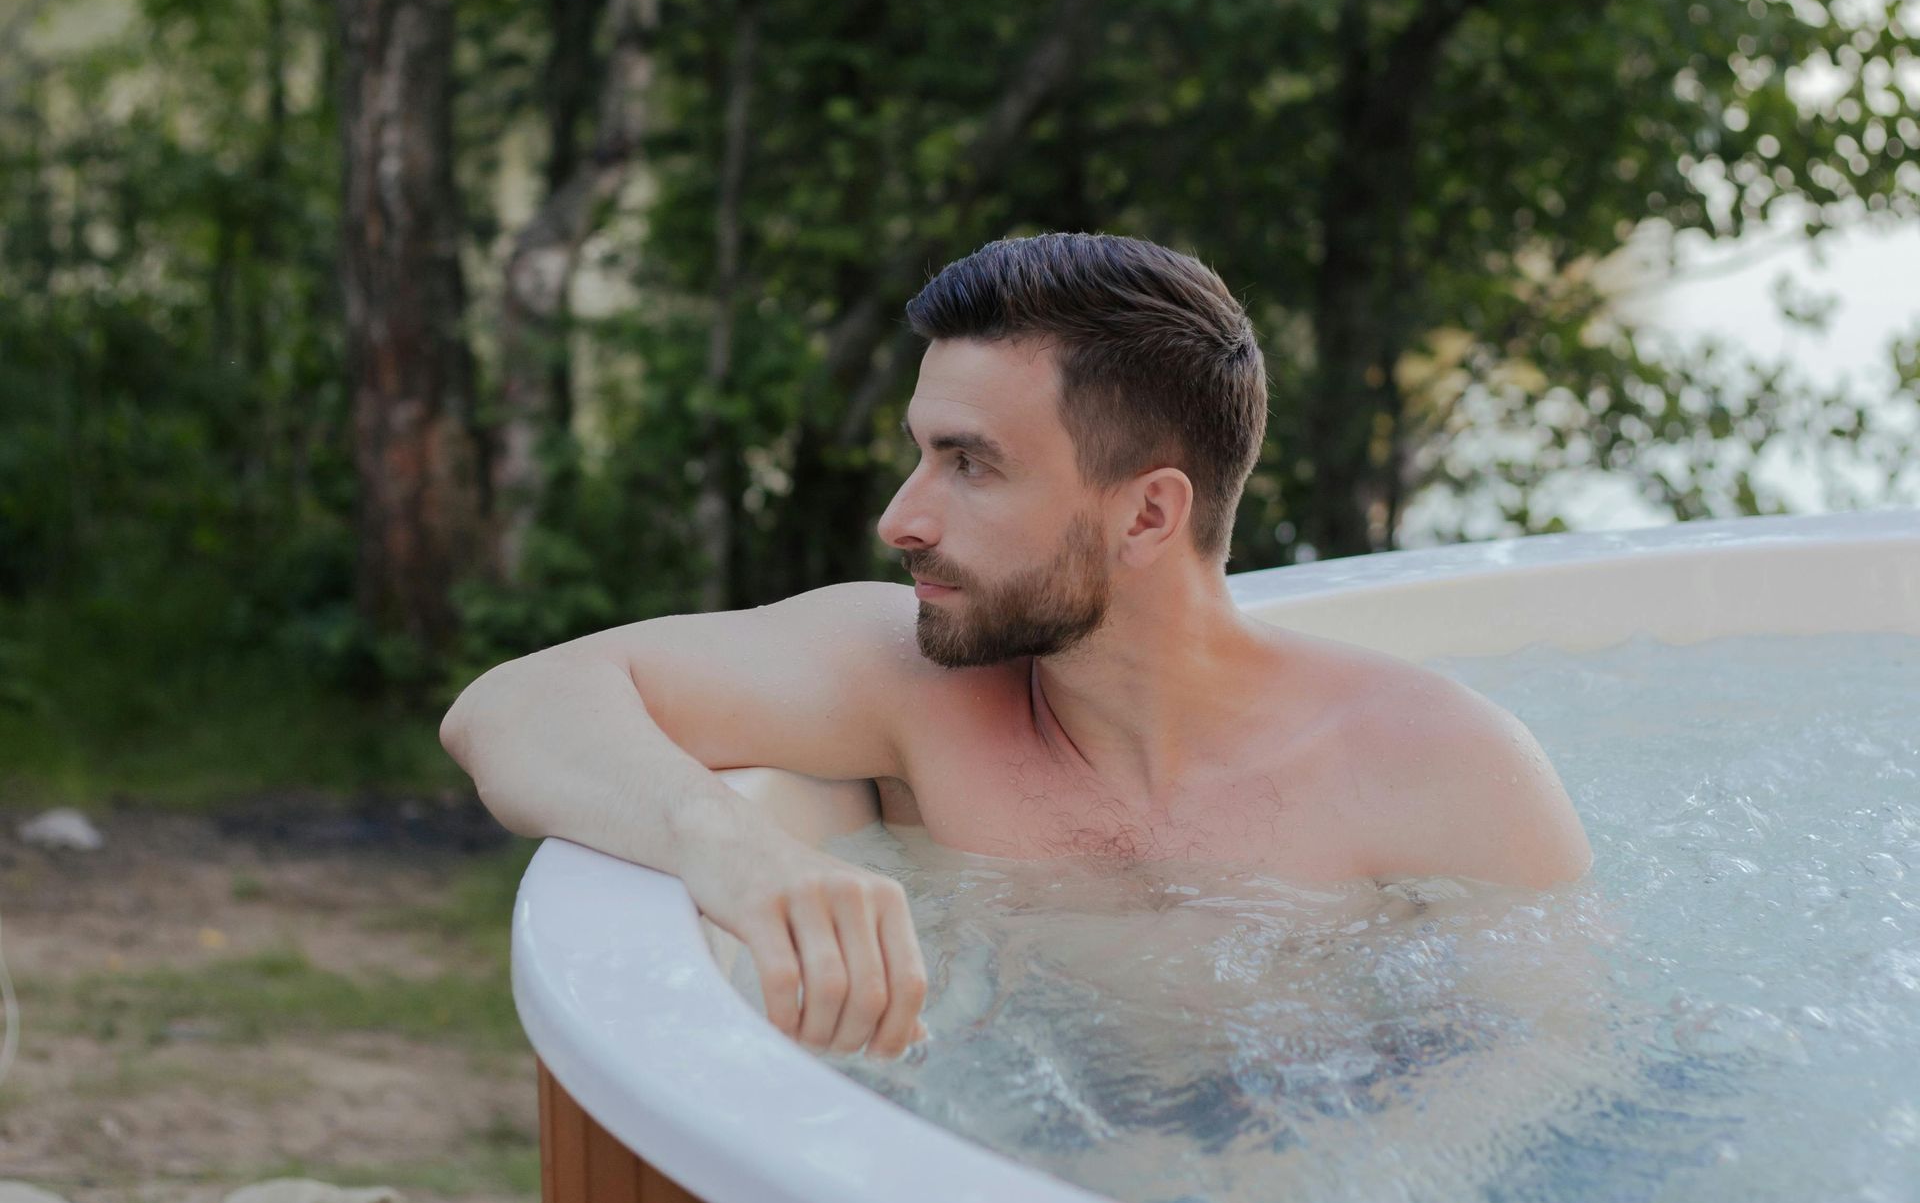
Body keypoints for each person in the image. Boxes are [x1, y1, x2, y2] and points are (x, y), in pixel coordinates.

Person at [441, 233, 1590, 1063]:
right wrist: (739, 854)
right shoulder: (913, 684)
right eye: (921, 453)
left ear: (1147, 515)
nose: (903, 516)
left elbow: (1535, 1094)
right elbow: (511, 707)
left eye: (971, 465)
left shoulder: (1440, 766)